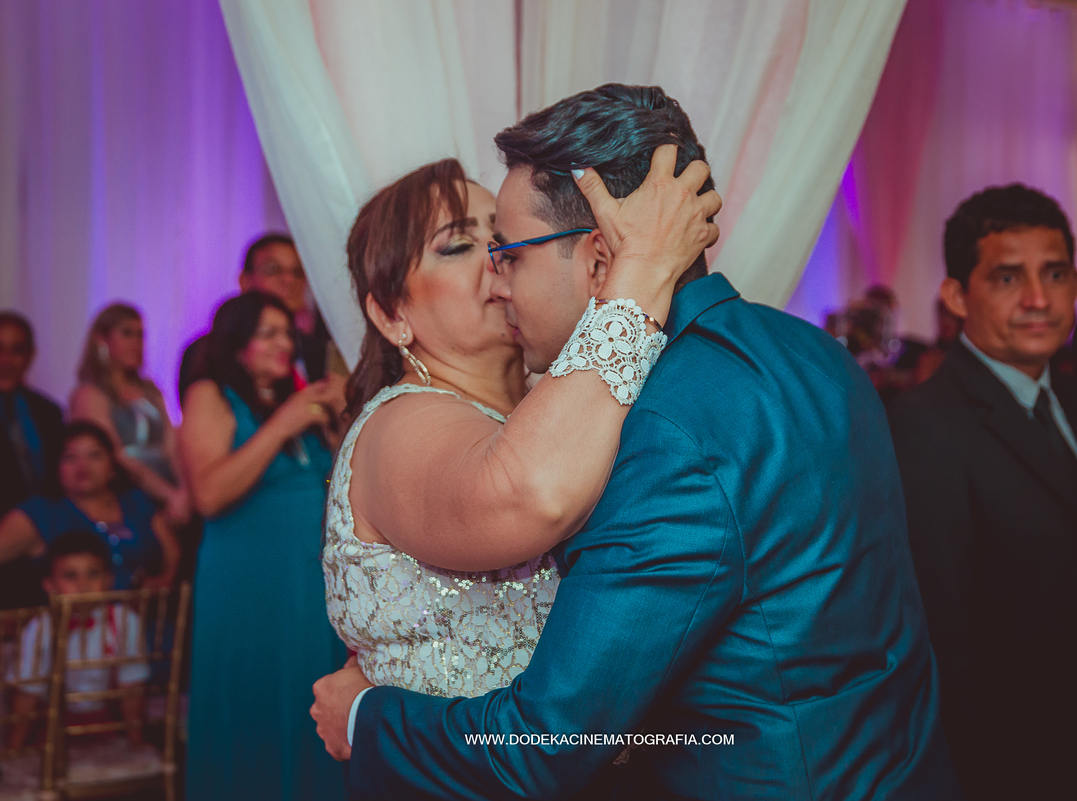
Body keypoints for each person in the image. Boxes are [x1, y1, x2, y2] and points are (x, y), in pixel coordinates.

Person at [313, 84, 959, 800]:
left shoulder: (658, 425)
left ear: (598, 260)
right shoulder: (813, 353)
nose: (497, 280)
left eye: (509, 252)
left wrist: (369, 714)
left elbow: (553, 744)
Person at [887, 184, 1077, 801]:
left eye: (1054, 274)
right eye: (1007, 278)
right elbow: (942, 636)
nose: (1038, 299)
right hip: (1023, 766)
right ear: (955, 295)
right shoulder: (924, 427)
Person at [180, 290, 346, 801]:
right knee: (254, 696)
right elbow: (208, 495)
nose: (284, 343)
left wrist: (342, 418)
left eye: (286, 333)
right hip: (248, 581)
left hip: (307, 582)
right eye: (267, 333)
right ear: (236, 345)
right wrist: (284, 423)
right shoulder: (211, 395)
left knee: (308, 694)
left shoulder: (294, 402)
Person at [6, 530, 149, 750]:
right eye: (70, 576)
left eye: (93, 574)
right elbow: (27, 694)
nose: (84, 585)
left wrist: (135, 744)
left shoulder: (125, 621)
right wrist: (13, 750)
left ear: (108, 579)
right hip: (52, 728)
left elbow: (131, 689)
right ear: (50, 586)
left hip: (106, 725)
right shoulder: (40, 628)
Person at [0, 421, 178, 591]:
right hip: (68, 620)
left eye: (94, 455)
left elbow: (173, 558)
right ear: (56, 467)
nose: (82, 466)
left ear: (113, 466)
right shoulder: (42, 513)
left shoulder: (138, 503)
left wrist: (162, 584)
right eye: (70, 457)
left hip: (148, 615)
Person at [70, 303, 190, 527]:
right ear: (102, 339)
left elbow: (172, 447)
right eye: (127, 334)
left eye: (141, 335)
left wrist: (184, 491)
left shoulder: (151, 390)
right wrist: (168, 494)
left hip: (170, 490)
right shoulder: (91, 394)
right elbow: (113, 455)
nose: (136, 343)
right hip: (125, 494)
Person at [177, 233, 335, 401]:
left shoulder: (319, 350)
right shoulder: (207, 350)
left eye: (298, 272)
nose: (289, 279)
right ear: (245, 280)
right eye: (273, 270)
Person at [0, 311, 64, 608]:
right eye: (0, 349)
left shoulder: (48, 411)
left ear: (31, 355)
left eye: (17, 349)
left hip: (44, 547)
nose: (7, 360)